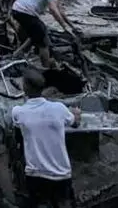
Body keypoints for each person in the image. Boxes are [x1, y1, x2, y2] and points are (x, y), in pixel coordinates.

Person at [12, 68, 81, 208]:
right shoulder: (59, 109)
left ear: (25, 88)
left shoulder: (19, 112)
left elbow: (17, 127)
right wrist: (77, 112)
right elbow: (76, 123)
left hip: (35, 176)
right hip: (61, 174)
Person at [11, 0, 77, 69]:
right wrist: (64, 27)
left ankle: (17, 54)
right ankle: (46, 68)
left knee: (36, 33)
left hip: (17, 9)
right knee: (44, 41)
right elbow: (53, 9)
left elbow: (59, 10)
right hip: (24, 11)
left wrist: (72, 26)